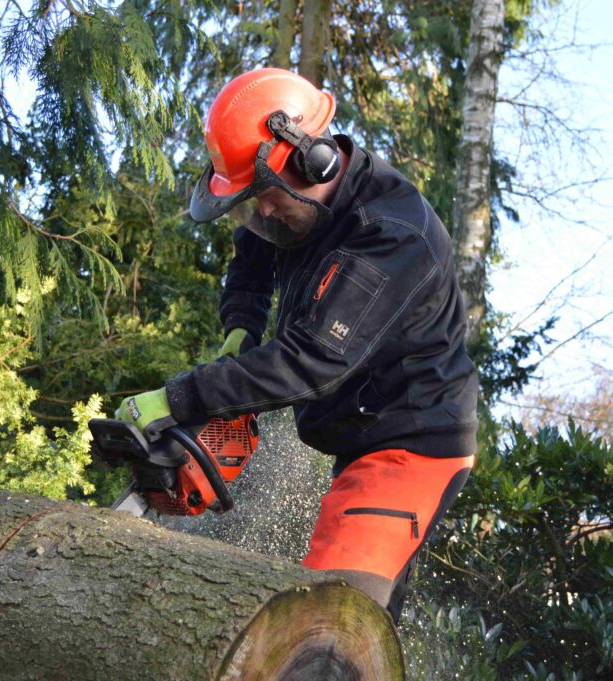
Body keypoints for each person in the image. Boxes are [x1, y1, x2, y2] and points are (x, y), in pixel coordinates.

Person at [116, 67, 478, 621]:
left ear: (312, 158)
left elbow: (312, 361)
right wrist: (240, 332)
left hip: (413, 446)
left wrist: (181, 397)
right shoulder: (287, 209)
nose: (260, 212)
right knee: (356, 625)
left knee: (331, 616)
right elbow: (251, 259)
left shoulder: (390, 235)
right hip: (359, 431)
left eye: (262, 195)